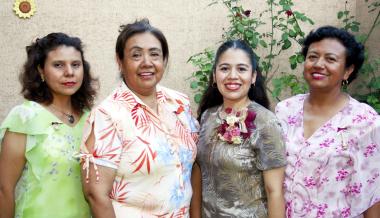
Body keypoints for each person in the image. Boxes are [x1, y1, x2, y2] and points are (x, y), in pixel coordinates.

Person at [79, 19, 199, 217]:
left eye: (154, 54)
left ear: (164, 60)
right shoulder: (108, 115)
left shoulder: (179, 104)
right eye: (136, 55)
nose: (147, 62)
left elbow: (193, 167)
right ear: (120, 61)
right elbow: (95, 194)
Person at [275, 26, 380, 217]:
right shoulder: (285, 110)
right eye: (312, 56)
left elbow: (372, 194)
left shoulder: (365, 121)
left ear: (348, 70)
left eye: (330, 59)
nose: (318, 64)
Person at [0, 32, 97, 218]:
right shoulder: (25, 118)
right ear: (41, 71)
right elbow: (5, 189)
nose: (69, 72)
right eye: (58, 65)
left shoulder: (91, 119)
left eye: (76, 65)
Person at [191, 39, 287, 218]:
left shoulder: (266, 122)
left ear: (253, 77)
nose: (232, 76)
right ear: (214, 75)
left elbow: (275, 192)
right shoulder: (207, 117)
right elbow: (198, 172)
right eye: (224, 68)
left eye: (241, 69)